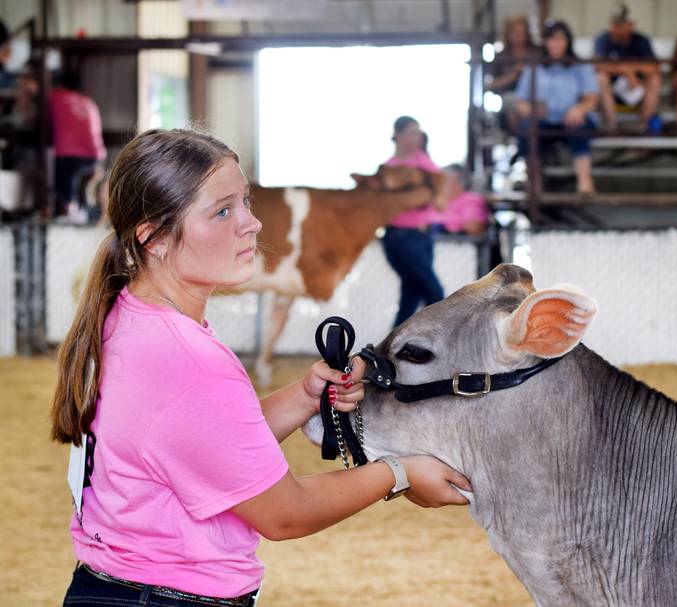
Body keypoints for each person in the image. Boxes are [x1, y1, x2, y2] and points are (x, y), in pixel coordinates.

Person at [51, 128, 471, 606]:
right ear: (155, 237)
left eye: (246, 202)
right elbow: (285, 513)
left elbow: (211, 443)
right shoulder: (191, 362)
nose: (251, 223)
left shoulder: (128, 318)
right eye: (223, 211)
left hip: (109, 588)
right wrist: (400, 472)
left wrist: (305, 395)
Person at [513, 19, 600, 194]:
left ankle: (584, 181)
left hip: (571, 118)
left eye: (560, 39)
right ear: (545, 42)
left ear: (568, 41)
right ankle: (534, 182)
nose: (555, 44)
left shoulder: (579, 66)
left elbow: (591, 98)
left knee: (578, 126)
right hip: (545, 119)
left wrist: (579, 109)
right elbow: (520, 101)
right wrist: (531, 110)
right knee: (526, 129)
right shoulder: (535, 67)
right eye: (551, 39)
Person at [381, 116, 452, 327]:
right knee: (434, 292)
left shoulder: (423, 162)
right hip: (401, 237)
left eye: (418, 133)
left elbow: (440, 198)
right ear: (397, 135)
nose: (417, 137)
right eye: (411, 132)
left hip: (424, 236)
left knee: (411, 294)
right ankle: (443, 341)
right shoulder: (389, 169)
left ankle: (390, 350)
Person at [593, 2, 662, 134]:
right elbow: (598, 64)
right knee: (601, 78)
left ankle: (645, 126)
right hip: (613, 94)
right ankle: (612, 125)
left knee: (655, 80)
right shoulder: (603, 39)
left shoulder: (641, 40)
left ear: (631, 25)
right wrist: (627, 71)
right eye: (613, 24)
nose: (615, 28)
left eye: (620, 25)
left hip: (637, 89)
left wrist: (630, 70)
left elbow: (653, 67)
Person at [49, 69, 107, 221]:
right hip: (96, 156)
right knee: (82, 185)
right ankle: (82, 211)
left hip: (68, 155)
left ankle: (69, 210)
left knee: (60, 180)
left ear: (61, 85)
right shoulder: (88, 102)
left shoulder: (55, 97)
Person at [487, 15, 537, 132]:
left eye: (521, 31)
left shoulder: (537, 52)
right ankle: (521, 140)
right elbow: (492, 84)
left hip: (536, 95)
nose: (518, 35)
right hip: (511, 96)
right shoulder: (501, 56)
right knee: (515, 106)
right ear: (508, 33)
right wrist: (513, 75)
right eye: (514, 32)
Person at [429, 164, 490, 236]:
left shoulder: (471, 199)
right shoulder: (437, 200)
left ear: (455, 182)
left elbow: (473, 227)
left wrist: (441, 221)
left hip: (458, 242)